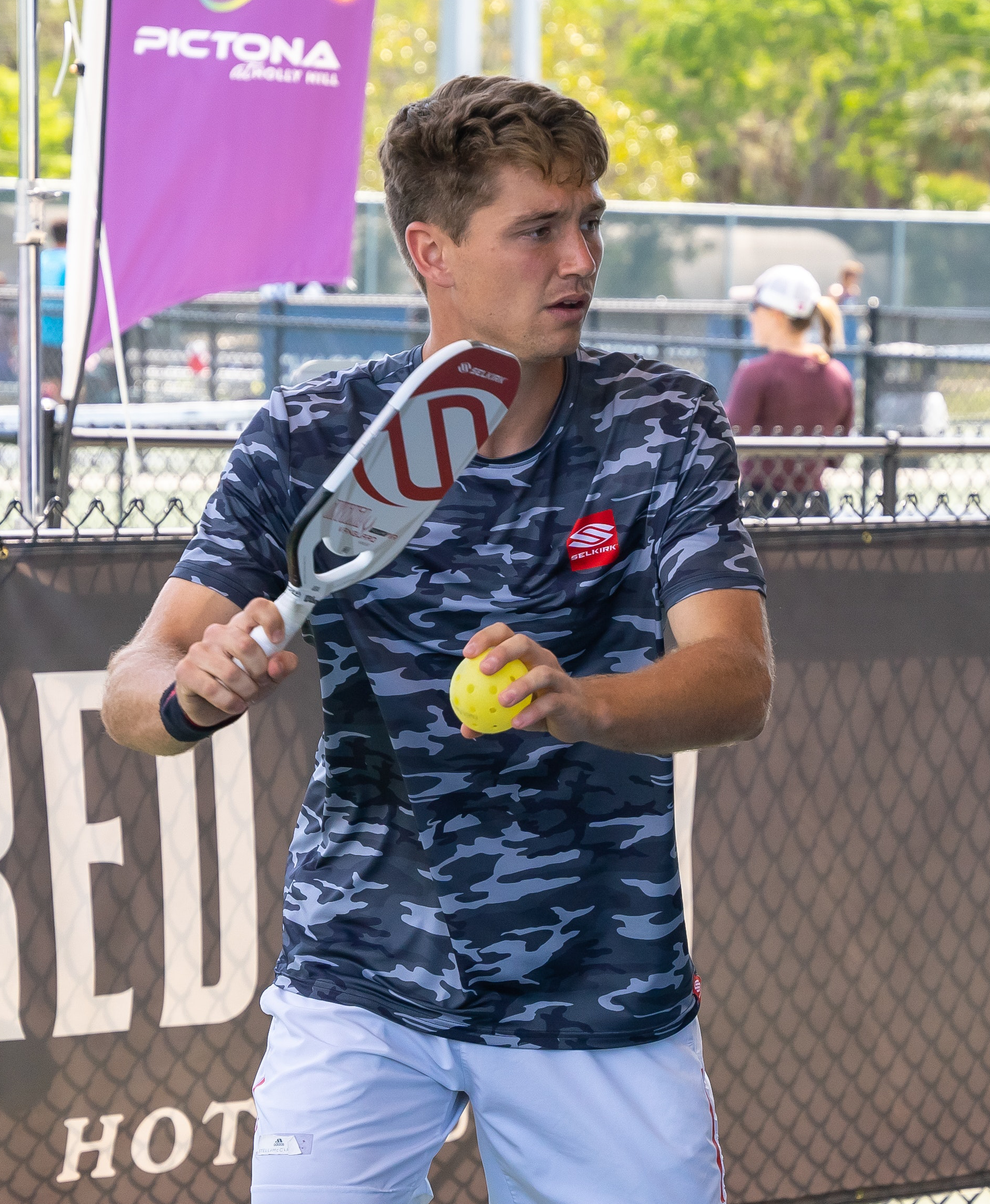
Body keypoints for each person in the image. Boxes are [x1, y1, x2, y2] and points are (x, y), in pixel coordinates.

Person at [102, 76, 773, 1204]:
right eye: (537, 229)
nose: (580, 259)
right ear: (432, 251)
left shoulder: (664, 423)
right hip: (357, 980)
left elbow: (738, 680)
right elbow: (136, 682)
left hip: (601, 987)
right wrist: (190, 690)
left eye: (591, 221)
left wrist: (583, 701)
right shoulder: (307, 431)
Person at [726, 264, 854, 516]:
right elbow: (836, 457)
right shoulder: (838, 375)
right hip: (816, 508)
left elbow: (725, 441)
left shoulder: (756, 374)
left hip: (757, 506)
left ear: (777, 314)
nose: (751, 316)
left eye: (755, 307)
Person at [40, 219, 68, 400]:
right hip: (67, 335)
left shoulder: (42, 258)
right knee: (67, 384)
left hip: (42, 332)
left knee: (47, 381)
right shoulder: (73, 260)